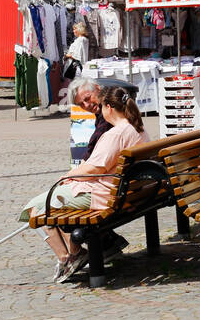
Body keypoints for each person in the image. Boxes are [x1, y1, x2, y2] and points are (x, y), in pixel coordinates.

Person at [18, 87, 146, 281]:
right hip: (127, 193)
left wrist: (67, 176)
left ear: (109, 108)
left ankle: (70, 256)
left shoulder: (116, 133)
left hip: (104, 195)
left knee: (34, 208)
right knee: (54, 198)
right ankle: (75, 253)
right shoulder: (136, 128)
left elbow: (95, 168)